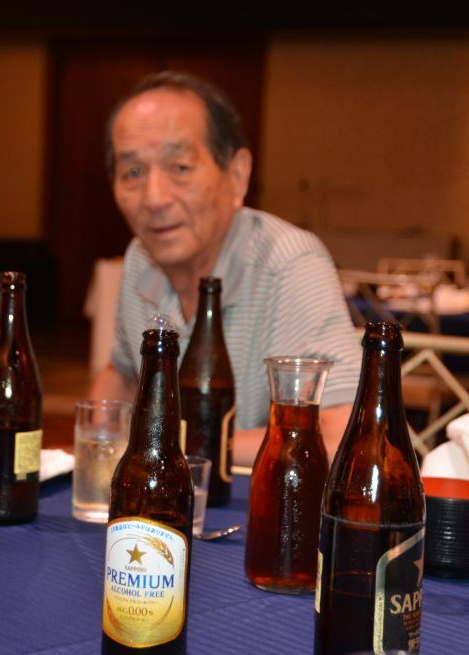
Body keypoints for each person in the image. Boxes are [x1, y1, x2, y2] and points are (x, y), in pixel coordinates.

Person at [90, 71, 361, 466]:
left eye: (180, 167)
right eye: (133, 172)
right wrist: (97, 447)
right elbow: (122, 373)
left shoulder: (288, 262)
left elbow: (342, 437)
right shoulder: (139, 259)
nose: (154, 198)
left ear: (237, 176)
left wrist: (170, 444)